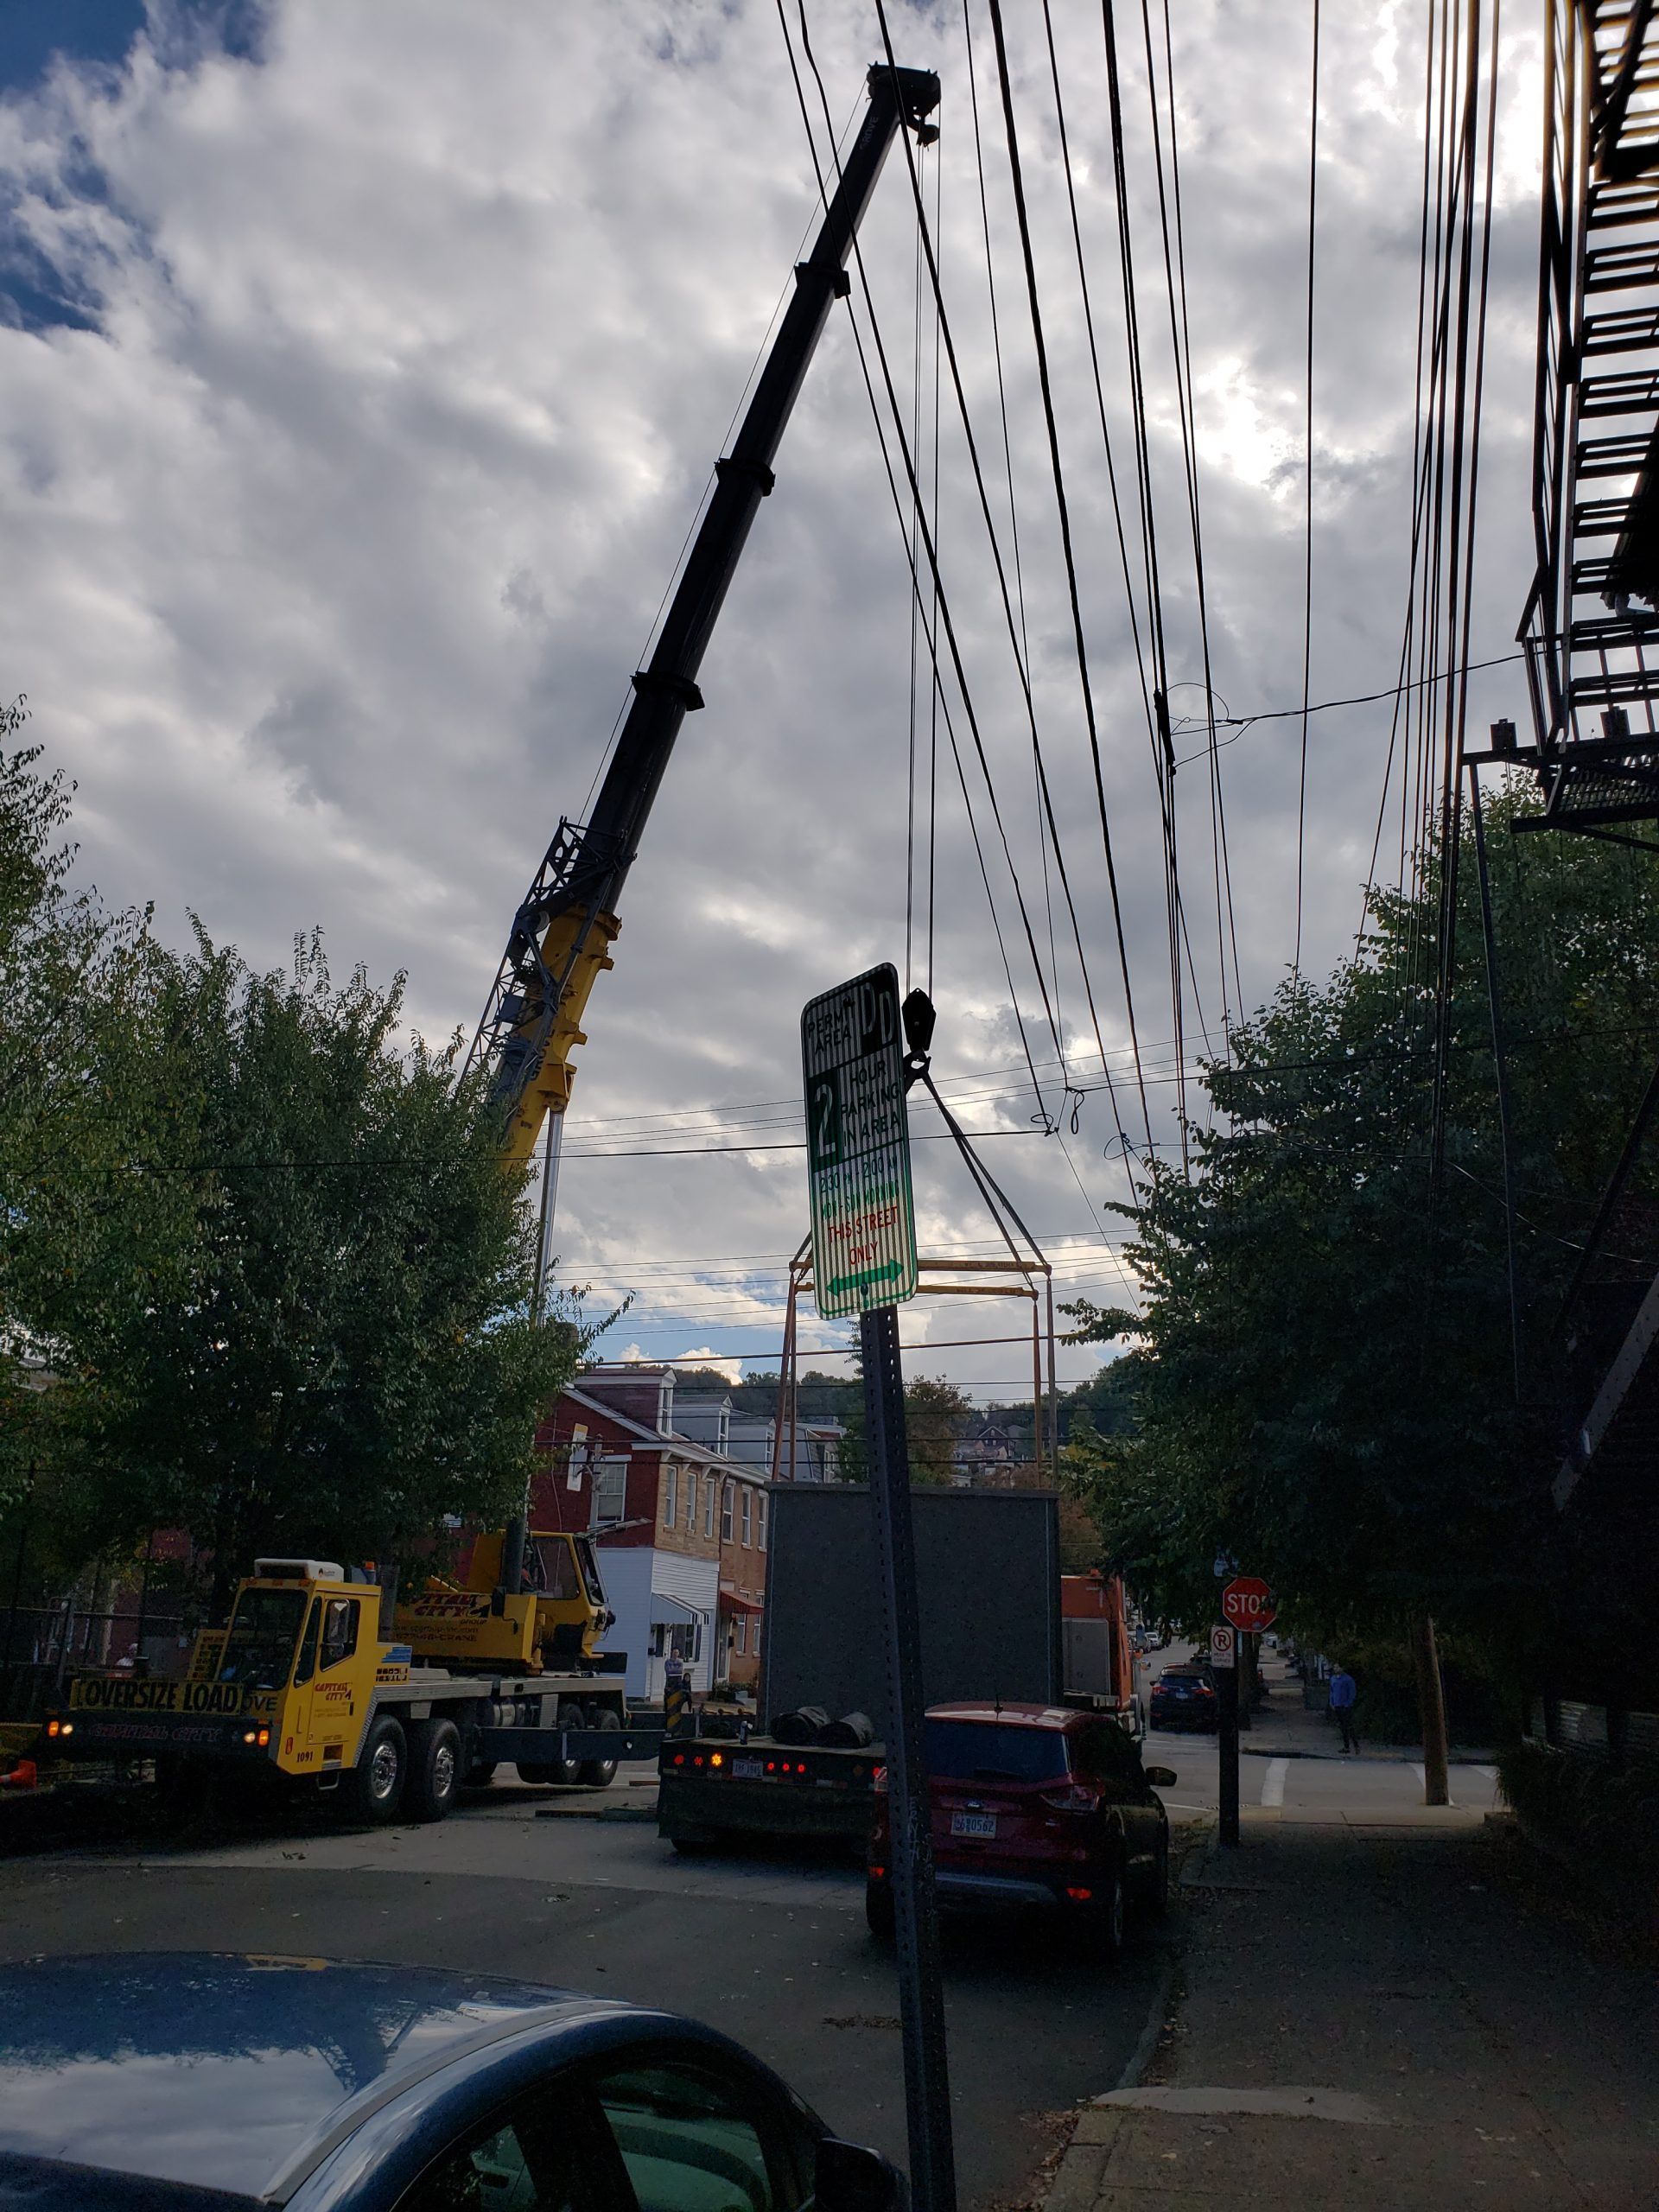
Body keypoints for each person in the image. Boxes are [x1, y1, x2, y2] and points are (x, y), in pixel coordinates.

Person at [1328, 1663, 1359, 1752]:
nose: (1336, 1669)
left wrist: (1348, 1704)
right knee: (1342, 1727)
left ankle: (1356, 1745)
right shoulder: (1333, 1679)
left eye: (1338, 1667)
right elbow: (1332, 1691)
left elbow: (1352, 1693)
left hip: (1345, 1706)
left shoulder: (1348, 1679)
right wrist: (1332, 1702)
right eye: (1335, 1667)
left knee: (1349, 1726)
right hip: (1337, 1705)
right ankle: (1346, 1746)